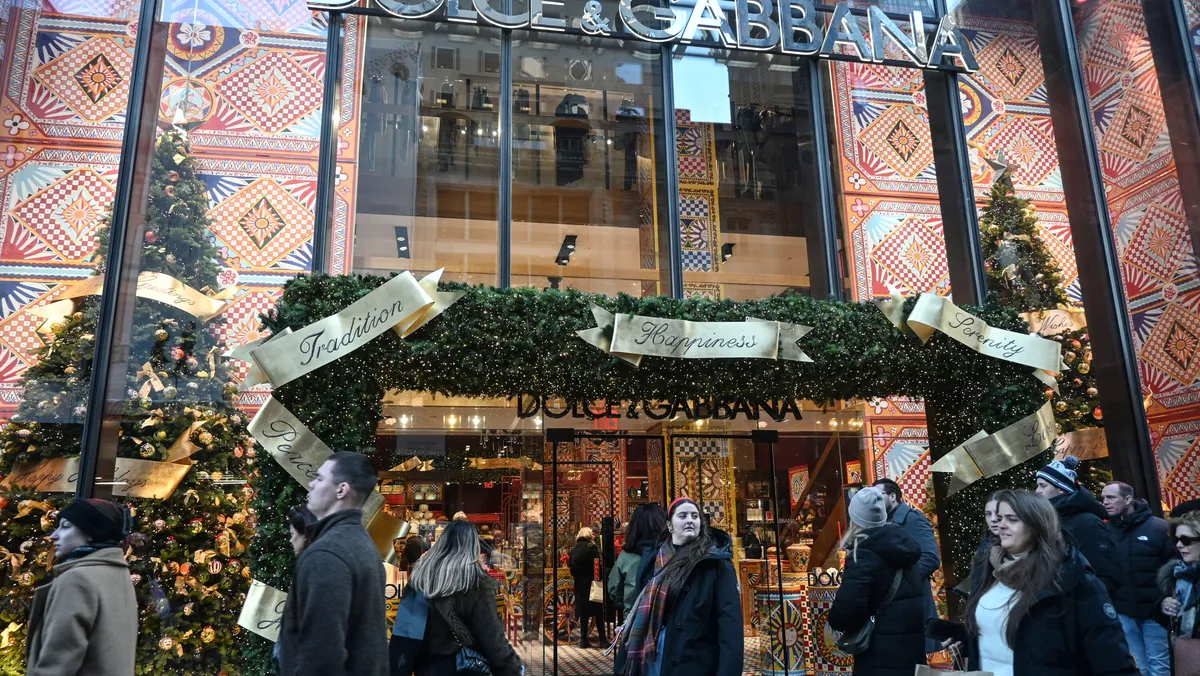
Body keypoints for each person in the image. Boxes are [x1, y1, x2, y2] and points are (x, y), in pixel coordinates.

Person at [957, 490, 1139, 675]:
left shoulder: (1073, 580)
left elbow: (1112, 661)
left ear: (1037, 525)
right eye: (1000, 517)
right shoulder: (989, 570)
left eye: (1012, 519)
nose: (1000, 524)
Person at [278, 452, 388, 676]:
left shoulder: (326, 554)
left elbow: (322, 655)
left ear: (341, 490)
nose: (311, 484)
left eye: (319, 478)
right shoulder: (362, 544)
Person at [614, 497, 742, 676]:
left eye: (695, 516)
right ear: (669, 525)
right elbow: (639, 610)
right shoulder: (653, 561)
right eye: (682, 516)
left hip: (694, 662)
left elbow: (730, 626)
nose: (690, 520)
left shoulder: (717, 564)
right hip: (652, 659)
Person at [396, 519, 522, 676]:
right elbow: (493, 642)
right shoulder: (475, 583)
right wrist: (513, 669)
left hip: (428, 669)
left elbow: (404, 638)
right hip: (465, 669)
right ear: (473, 547)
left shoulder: (420, 579)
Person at [25, 498, 137, 676]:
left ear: (91, 532)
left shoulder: (76, 580)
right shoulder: (117, 574)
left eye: (65, 526)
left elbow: (57, 664)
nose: (54, 535)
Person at [828, 487, 926, 675]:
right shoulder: (906, 547)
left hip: (879, 658)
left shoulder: (862, 556)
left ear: (855, 519)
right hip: (911, 656)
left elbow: (844, 615)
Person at [1103, 481, 1175, 676]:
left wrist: (1170, 597)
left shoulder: (1159, 528)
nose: (1105, 502)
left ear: (1127, 499)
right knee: (1137, 668)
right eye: (1103, 498)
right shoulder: (1105, 532)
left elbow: (1175, 567)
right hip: (1122, 611)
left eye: (1111, 497)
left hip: (1155, 611)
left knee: (1159, 666)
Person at [1034, 455, 1122, 597]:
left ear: (1061, 489)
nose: (1037, 491)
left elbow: (1105, 576)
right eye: (1038, 485)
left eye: (1043, 486)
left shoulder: (1088, 523)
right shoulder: (1048, 520)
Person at [873, 477, 941, 654]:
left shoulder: (912, 519)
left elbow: (931, 558)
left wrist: (900, 580)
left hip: (914, 602)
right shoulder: (881, 522)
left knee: (915, 659)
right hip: (892, 607)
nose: (874, 501)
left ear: (892, 496)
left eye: (878, 496)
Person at [276, 505, 319, 670]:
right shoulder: (310, 565)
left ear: (305, 536)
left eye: (293, 535)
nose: (290, 540)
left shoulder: (312, 569)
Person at [610, 504, 668, 617]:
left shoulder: (626, 556)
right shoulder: (671, 552)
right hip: (666, 620)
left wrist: (624, 605)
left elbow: (613, 589)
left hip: (633, 618)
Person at [1158, 509, 1200, 641]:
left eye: (1186, 540)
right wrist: (1164, 606)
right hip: (1185, 650)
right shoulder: (1177, 574)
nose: (1179, 545)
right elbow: (1168, 623)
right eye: (1176, 539)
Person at [570, 526, 607, 648]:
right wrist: (598, 580)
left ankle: (583, 641)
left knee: (584, 614)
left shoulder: (575, 549)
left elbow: (572, 569)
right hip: (592, 585)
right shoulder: (592, 548)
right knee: (598, 613)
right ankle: (602, 640)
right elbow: (597, 566)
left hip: (580, 585)